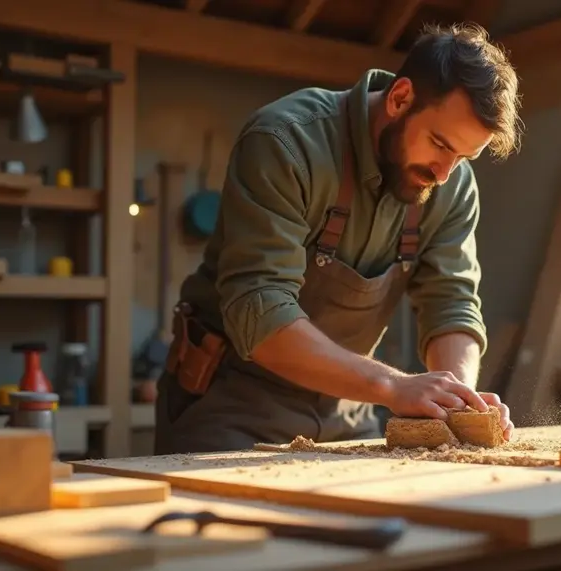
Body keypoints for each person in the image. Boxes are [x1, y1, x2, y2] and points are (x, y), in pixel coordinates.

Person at [153, 22, 523, 455]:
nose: (444, 173)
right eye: (440, 144)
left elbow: (452, 303)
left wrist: (459, 400)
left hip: (349, 412)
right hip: (231, 405)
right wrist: (392, 384)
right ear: (401, 98)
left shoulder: (452, 184)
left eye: (464, 157)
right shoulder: (286, 142)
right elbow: (261, 312)